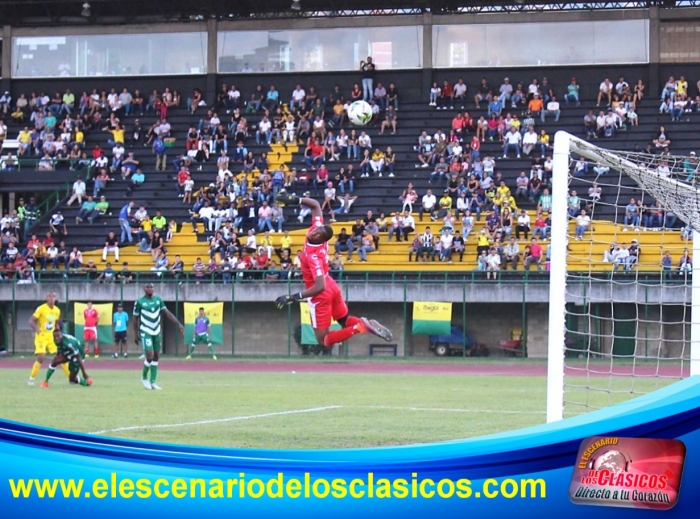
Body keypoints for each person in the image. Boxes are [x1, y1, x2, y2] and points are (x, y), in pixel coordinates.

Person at [274, 191, 393, 348]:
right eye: (317, 230)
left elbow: (319, 286)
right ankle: (365, 325)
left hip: (321, 294)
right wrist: (295, 199)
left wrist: (294, 297)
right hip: (332, 285)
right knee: (344, 321)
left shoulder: (314, 256)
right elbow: (316, 205)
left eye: (318, 234)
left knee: (323, 341)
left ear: (321, 240)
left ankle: (360, 327)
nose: (315, 232)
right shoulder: (315, 231)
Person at [133, 283, 184, 390]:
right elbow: (135, 319)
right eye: (147, 287)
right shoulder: (139, 302)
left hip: (156, 331)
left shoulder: (158, 300)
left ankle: (153, 382)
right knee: (150, 355)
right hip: (145, 331)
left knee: (156, 356)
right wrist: (135, 334)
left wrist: (178, 324)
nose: (150, 288)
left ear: (154, 289)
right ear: (144, 289)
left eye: (151, 287)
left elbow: (167, 313)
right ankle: (144, 377)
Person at [27, 292, 70, 385]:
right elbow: (31, 321)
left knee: (61, 356)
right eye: (49, 296)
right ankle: (31, 378)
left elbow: (55, 324)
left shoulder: (57, 311)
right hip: (41, 337)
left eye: (53, 296)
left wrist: (58, 333)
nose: (51, 298)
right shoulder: (41, 308)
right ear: (46, 298)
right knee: (41, 357)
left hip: (51, 338)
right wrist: (37, 328)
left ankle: (71, 377)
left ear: (55, 298)